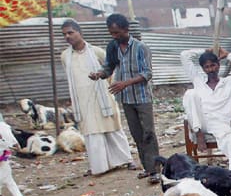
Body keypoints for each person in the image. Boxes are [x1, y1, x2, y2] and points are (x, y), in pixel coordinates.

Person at [88, 13, 161, 184]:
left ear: (126, 29)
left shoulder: (141, 47)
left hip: (142, 97)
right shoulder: (113, 47)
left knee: (148, 133)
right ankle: (148, 168)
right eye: (112, 33)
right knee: (137, 134)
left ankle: (156, 170)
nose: (114, 36)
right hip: (126, 99)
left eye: (117, 33)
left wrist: (125, 83)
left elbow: (147, 73)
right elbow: (108, 67)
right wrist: (99, 74)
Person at [60, 19, 134, 176]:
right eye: (64, 34)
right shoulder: (65, 56)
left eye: (71, 32)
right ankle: (99, 167)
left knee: (112, 128)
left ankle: (125, 160)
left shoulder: (96, 52)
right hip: (82, 100)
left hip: (102, 97)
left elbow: (112, 69)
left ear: (80, 32)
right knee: (91, 133)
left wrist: (110, 87)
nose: (67, 36)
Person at [180, 47, 231, 180]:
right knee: (190, 93)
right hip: (200, 122)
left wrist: (228, 55)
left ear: (218, 65)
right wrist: (205, 50)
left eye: (213, 65)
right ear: (203, 69)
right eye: (206, 67)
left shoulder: (228, 82)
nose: (210, 70)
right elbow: (184, 55)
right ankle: (199, 133)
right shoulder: (198, 80)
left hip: (220, 124)